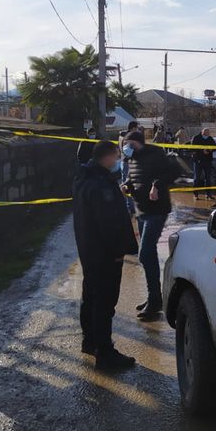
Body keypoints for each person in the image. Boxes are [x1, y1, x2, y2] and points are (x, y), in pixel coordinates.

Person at [73, 141, 138, 370]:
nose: (118, 160)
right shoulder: (101, 185)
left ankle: (90, 341)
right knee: (105, 302)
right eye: (117, 155)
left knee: (90, 297)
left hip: (89, 251)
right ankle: (105, 353)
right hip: (105, 254)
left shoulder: (85, 177)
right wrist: (118, 252)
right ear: (108, 157)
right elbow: (109, 224)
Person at [122, 131, 181, 321]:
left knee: (145, 253)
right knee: (148, 254)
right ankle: (154, 297)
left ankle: (155, 300)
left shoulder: (155, 153)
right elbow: (134, 178)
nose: (126, 147)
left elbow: (174, 171)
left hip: (156, 210)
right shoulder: (132, 158)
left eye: (130, 144)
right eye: (125, 144)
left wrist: (157, 185)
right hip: (141, 211)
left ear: (139, 142)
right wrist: (127, 185)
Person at [191, 128, 216, 201]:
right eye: (205, 133)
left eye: (208, 133)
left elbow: (215, 148)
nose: (207, 134)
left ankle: (208, 194)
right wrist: (202, 151)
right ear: (202, 132)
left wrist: (209, 150)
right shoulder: (196, 138)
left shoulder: (210, 138)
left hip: (207, 161)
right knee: (197, 178)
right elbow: (192, 148)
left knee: (208, 178)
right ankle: (195, 194)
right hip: (198, 161)